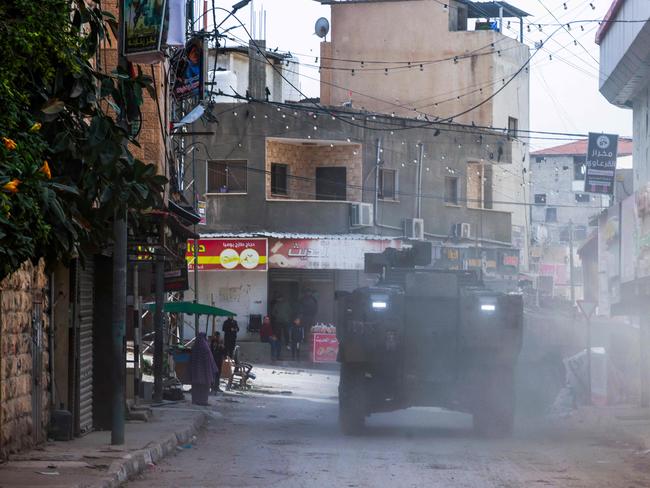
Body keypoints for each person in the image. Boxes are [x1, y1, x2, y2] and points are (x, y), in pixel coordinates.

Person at [190, 332, 218, 406]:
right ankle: (203, 401)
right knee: (204, 386)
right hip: (205, 372)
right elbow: (209, 360)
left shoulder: (195, 346)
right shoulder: (205, 347)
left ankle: (195, 400)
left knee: (196, 386)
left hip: (196, 371)